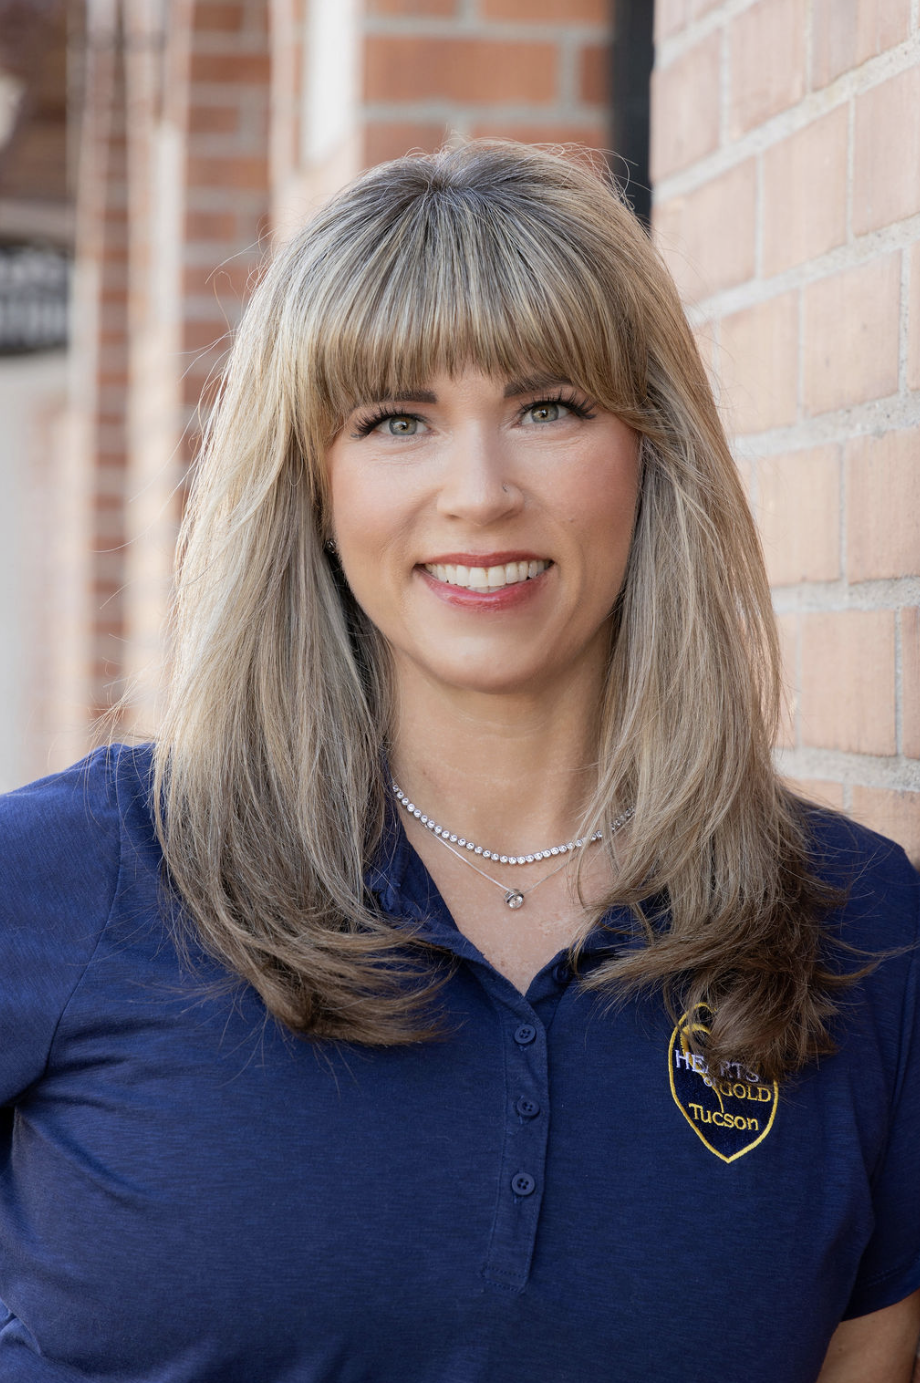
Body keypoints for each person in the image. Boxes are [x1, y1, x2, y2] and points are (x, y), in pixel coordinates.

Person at [1, 141, 918, 1383]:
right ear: (309, 488)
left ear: (651, 453)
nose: (477, 492)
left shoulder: (856, 931)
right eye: (396, 422)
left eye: (548, 407)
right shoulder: (73, 877)